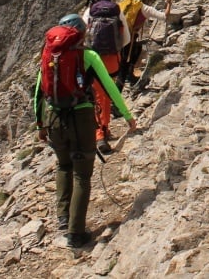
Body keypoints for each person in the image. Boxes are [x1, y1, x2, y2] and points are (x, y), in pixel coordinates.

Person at [33, 14, 137, 248]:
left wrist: (40, 124)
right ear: (81, 33)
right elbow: (109, 86)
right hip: (80, 118)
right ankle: (76, 233)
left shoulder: (49, 54)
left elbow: (39, 91)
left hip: (53, 117)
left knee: (63, 165)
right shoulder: (88, 56)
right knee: (82, 173)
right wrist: (128, 116)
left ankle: (62, 217)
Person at [81, 0, 131, 153]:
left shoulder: (88, 13)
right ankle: (104, 129)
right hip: (112, 61)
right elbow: (127, 38)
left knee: (95, 96)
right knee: (106, 95)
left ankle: (99, 133)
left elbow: (82, 39)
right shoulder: (116, 11)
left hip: (93, 61)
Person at [117, 0, 176, 85]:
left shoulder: (129, 4)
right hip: (130, 37)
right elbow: (164, 16)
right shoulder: (146, 9)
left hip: (119, 34)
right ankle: (126, 79)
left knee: (132, 53)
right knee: (129, 58)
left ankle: (125, 76)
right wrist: (169, 4)